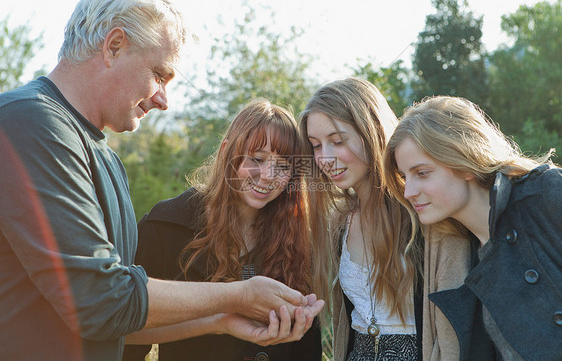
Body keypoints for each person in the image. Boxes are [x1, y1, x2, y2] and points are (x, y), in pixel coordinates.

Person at [0, 0, 322, 360]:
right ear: (114, 45)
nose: (163, 100)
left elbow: (118, 318)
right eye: (159, 75)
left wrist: (223, 320)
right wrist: (241, 294)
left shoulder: (104, 156)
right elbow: (100, 296)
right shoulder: (31, 122)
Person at [122, 99, 323, 360]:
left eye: (283, 166)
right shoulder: (167, 225)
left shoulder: (299, 240)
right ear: (228, 152)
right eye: (257, 158)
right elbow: (123, 330)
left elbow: (305, 351)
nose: (267, 175)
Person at [383, 96, 562, 361]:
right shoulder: (454, 251)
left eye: (422, 173)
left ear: (464, 162)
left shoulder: (544, 195)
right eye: (404, 177)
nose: (408, 192)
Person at [299, 77, 423, 361]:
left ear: (372, 132)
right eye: (316, 146)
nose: (325, 158)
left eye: (337, 141)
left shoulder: (419, 209)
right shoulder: (340, 221)